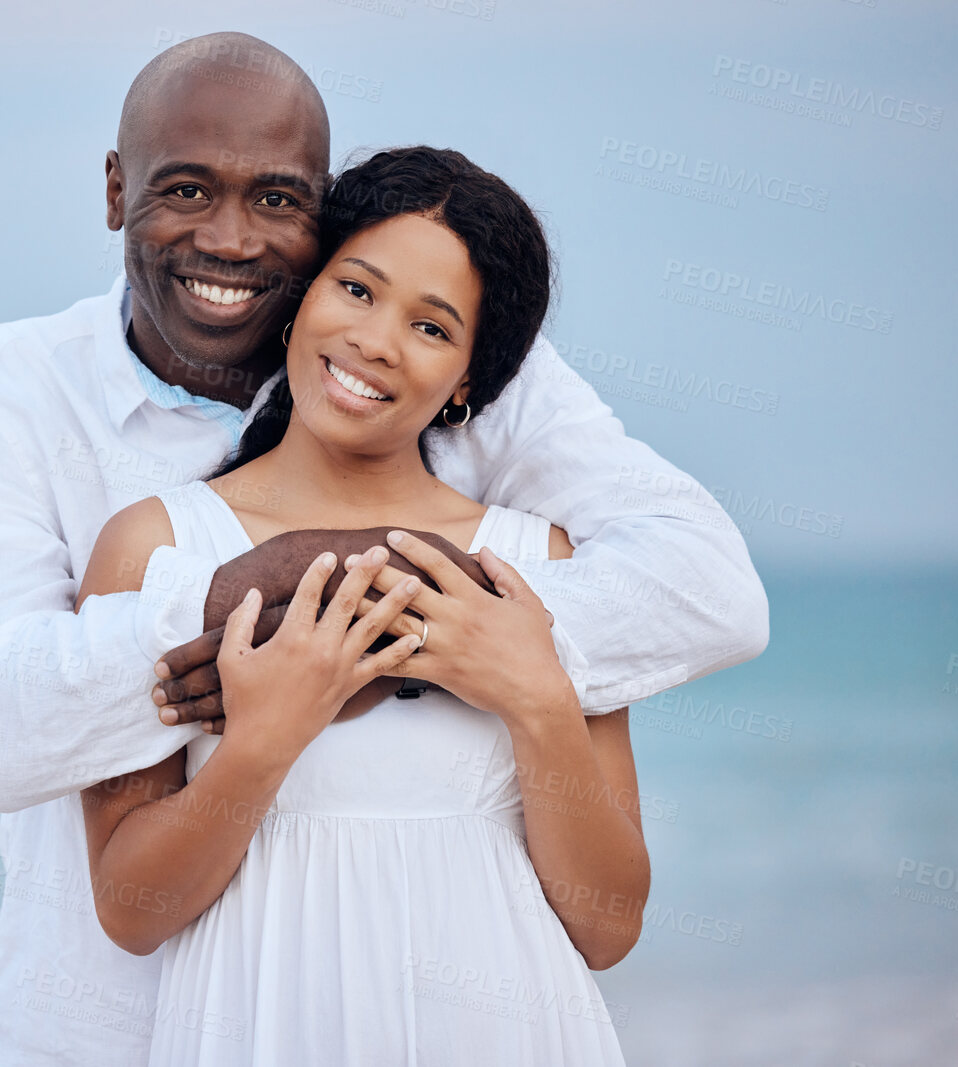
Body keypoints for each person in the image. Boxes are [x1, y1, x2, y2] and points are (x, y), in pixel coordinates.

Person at [0, 33, 765, 1065]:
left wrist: (484, 646)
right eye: (186, 189)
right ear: (114, 190)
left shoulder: (515, 505)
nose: (229, 239)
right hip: (128, 1028)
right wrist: (234, 619)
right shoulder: (15, 412)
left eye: (276, 200)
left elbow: (710, 592)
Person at [81, 146, 638, 1064]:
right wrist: (263, 739)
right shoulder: (156, 550)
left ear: (468, 377)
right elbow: (131, 912)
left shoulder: (537, 561)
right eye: (357, 289)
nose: (377, 340)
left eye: (431, 327)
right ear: (303, 295)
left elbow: (608, 927)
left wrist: (535, 700)